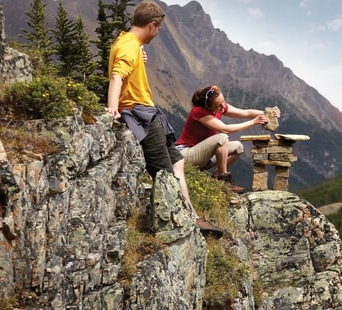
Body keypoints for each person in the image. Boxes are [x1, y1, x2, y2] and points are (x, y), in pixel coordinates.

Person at [105, 1, 222, 237]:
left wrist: (139, 57)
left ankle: (190, 213)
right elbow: (117, 76)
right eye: (158, 29)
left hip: (149, 112)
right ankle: (180, 223)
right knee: (164, 172)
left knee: (176, 160)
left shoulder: (128, 42)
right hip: (140, 115)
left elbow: (127, 62)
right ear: (152, 25)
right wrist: (112, 109)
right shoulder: (129, 46)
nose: (157, 34)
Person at [175, 85, 281, 193]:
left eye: (223, 102)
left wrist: (269, 114)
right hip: (184, 155)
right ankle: (224, 180)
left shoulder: (219, 106)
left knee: (238, 147)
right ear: (208, 107)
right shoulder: (198, 111)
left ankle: (216, 178)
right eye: (218, 106)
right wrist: (253, 122)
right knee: (222, 138)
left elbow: (245, 113)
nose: (223, 107)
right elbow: (225, 129)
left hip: (201, 155)